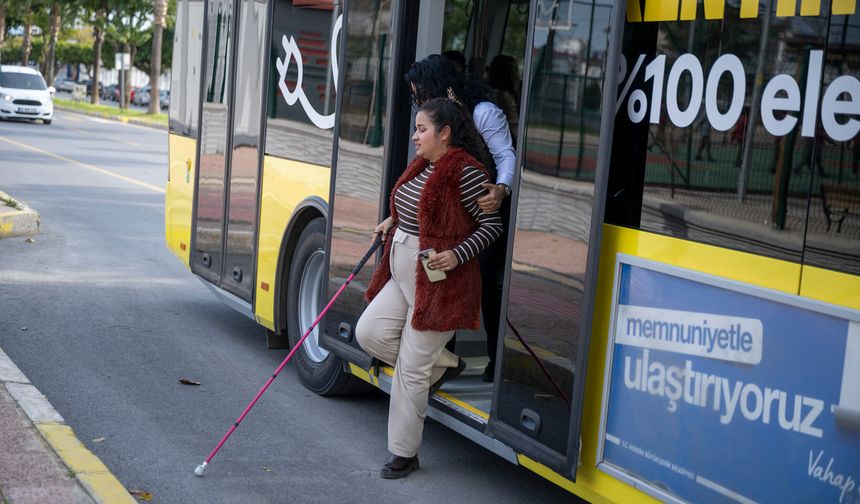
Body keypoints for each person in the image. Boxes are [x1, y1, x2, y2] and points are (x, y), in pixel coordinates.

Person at [355, 96, 503, 479]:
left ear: (446, 133)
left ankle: (404, 454)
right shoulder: (424, 164)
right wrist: (392, 221)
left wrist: (456, 254)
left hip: (439, 285)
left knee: (411, 368)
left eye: (422, 129)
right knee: (368, 332)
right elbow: (414, 207)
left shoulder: (467, 172)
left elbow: (493, 227)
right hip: (404, 274)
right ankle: (446, 363)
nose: (415, 136)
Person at [405, 54, 516, 383]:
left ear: (439, 87)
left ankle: (498, 363)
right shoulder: (435, 122)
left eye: (421, 94)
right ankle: (443, 360)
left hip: (486, 204)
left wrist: (501, 189)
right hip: (451, 208)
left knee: (484, 281)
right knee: (442, 276)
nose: (418, 103)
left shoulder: (483, 112)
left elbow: (505, 156)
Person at [486, 54, 520, 143]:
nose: (518, 76)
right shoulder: (503, 96)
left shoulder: (493, 94)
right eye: (515, 71)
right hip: (511, 140)